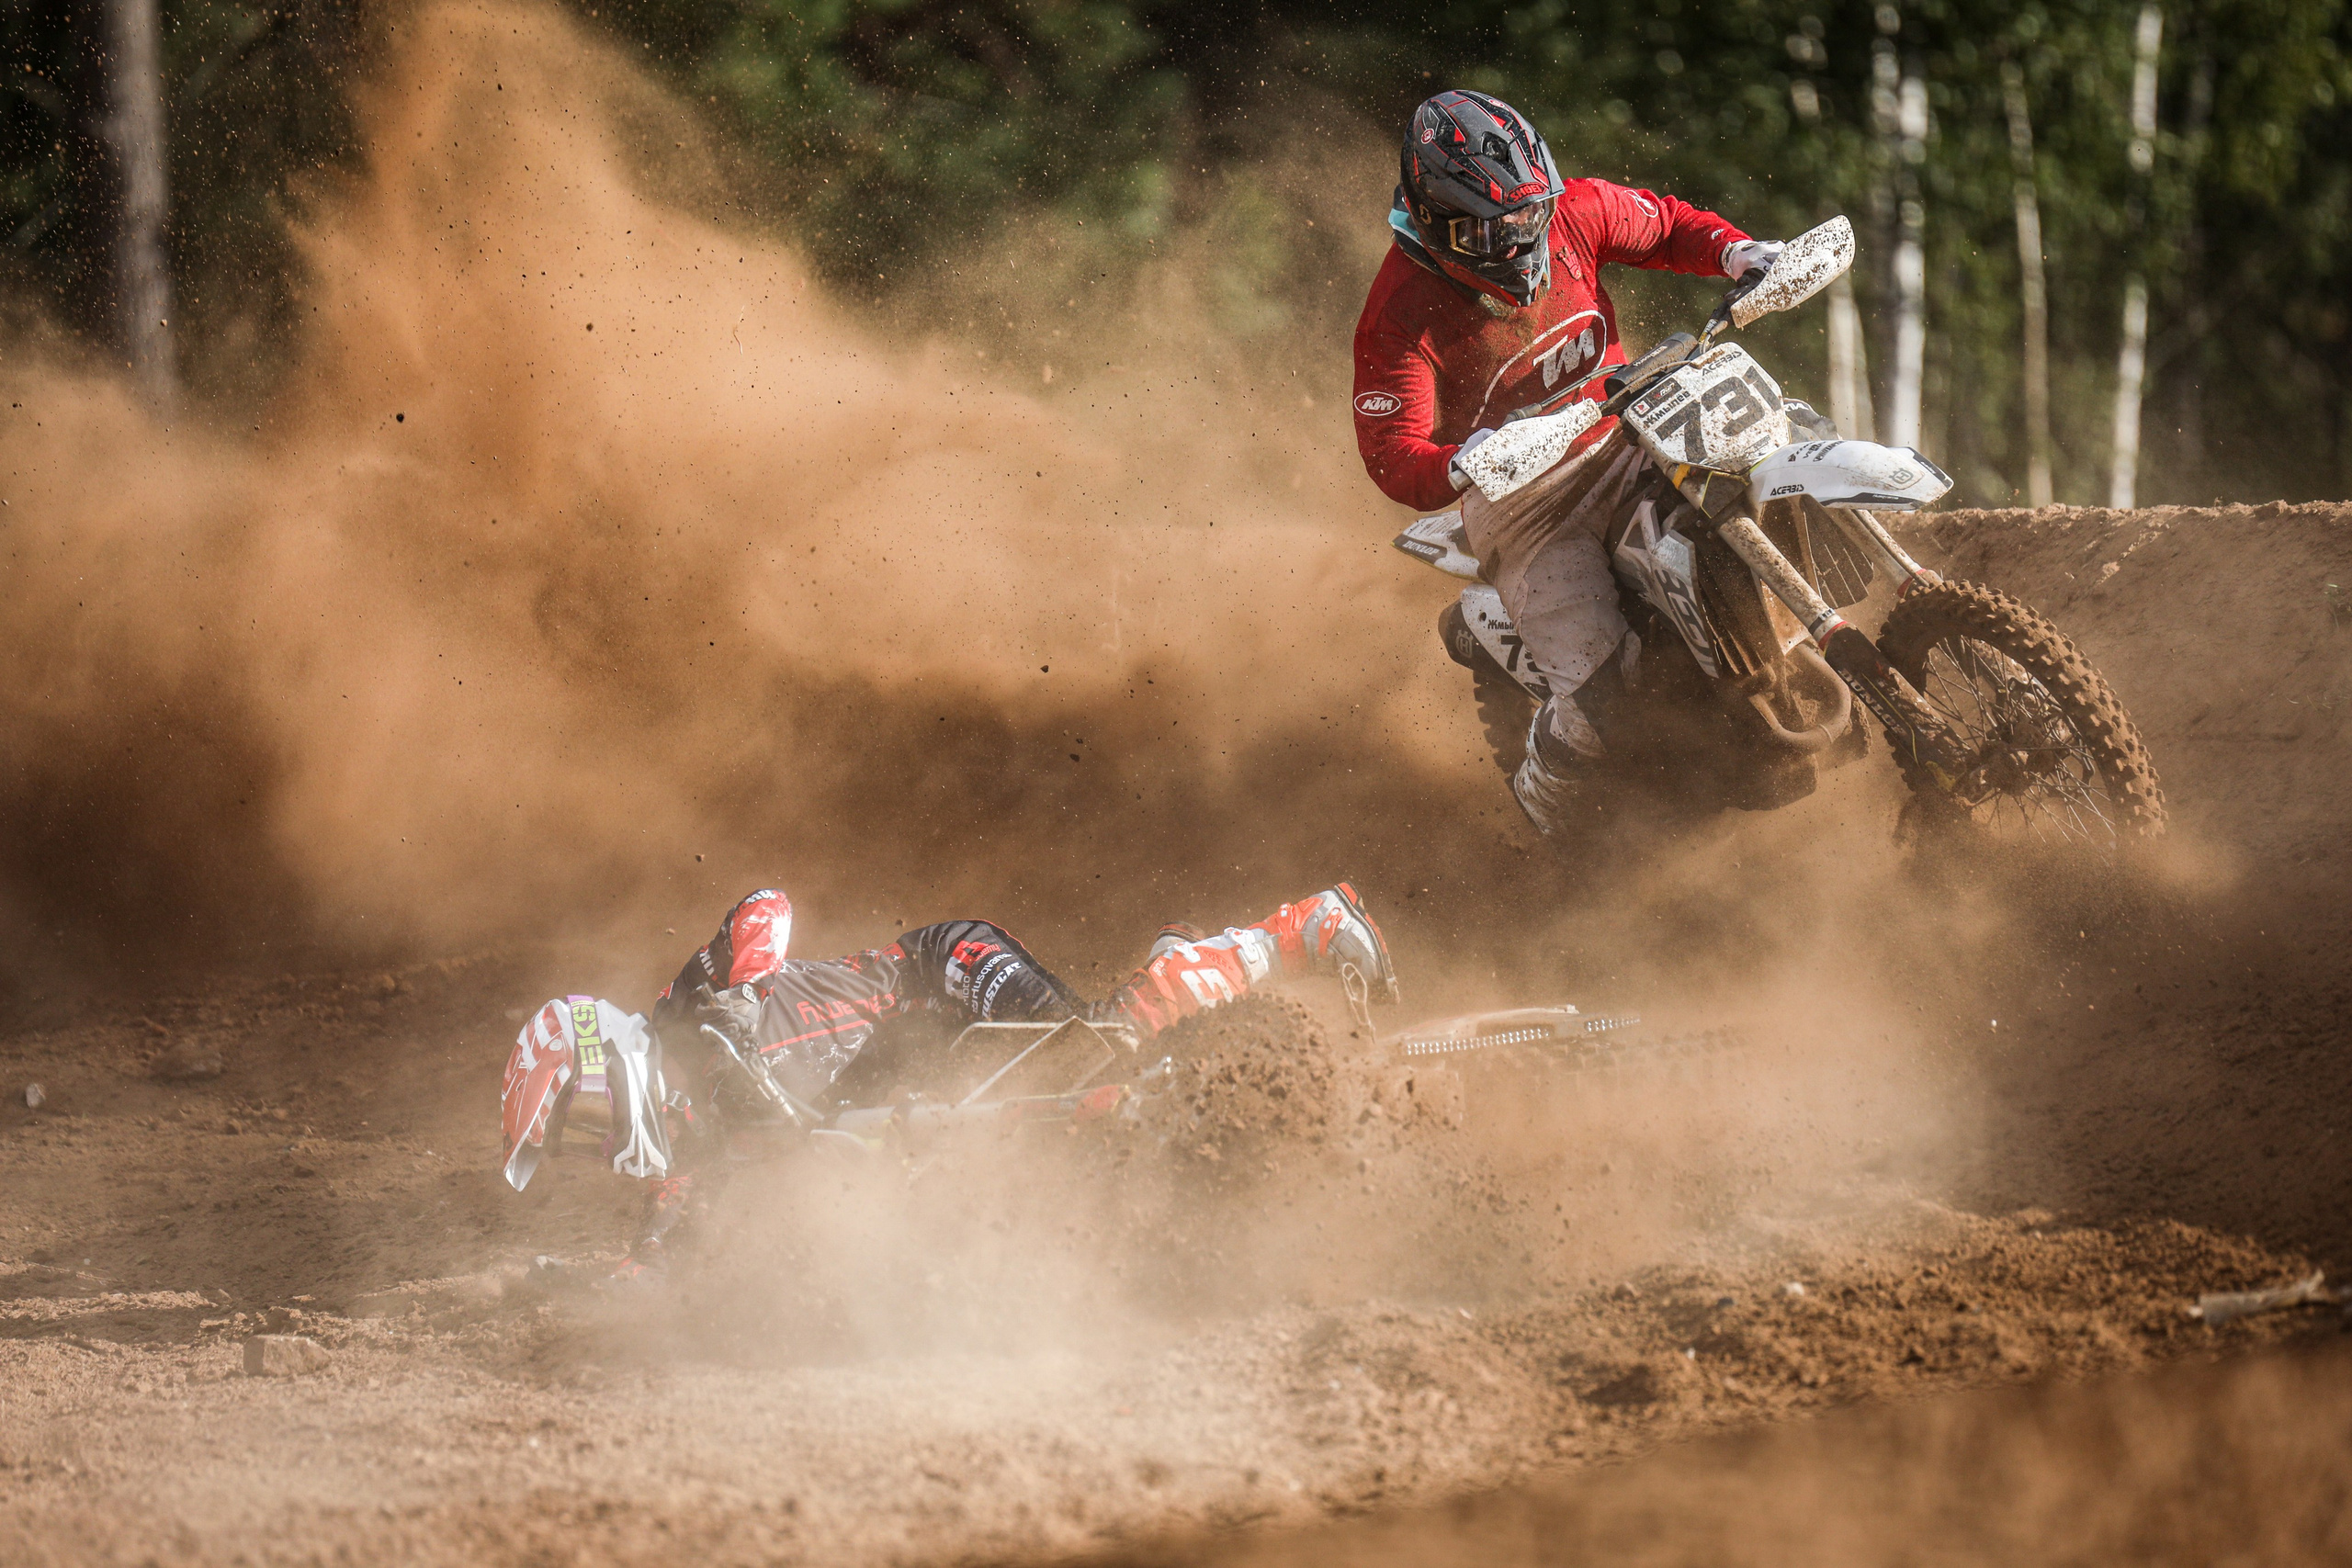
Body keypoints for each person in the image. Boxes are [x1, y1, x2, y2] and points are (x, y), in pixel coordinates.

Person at [498, 884, 1397, 1280]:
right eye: (576, 1148)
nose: (597, 1151)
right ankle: (1179, 972)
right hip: (934, 1088)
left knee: (1089, 1054)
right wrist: (589, 1285)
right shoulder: (688, 1150)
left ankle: (1293, 930)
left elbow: (764, 904)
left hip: (942, 970)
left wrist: (743, 995)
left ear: (603, 1059)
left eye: (580, 1125)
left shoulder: (689, 1008)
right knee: (1075, 1132)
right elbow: (664, 1255)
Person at [1352, 89, 1785, 833]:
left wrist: (1736, 251)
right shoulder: (1399, 312)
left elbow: (1665, 226)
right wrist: (1467, 461)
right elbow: (1394, 456)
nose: (1519, 242)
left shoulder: (1572, 212)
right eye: (1489, 232)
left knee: (1756, 478)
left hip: (1628, 432)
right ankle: (1548, 800)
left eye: (1528, 215)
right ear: (1434, 224)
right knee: (1602, 701)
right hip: (1524, 504)